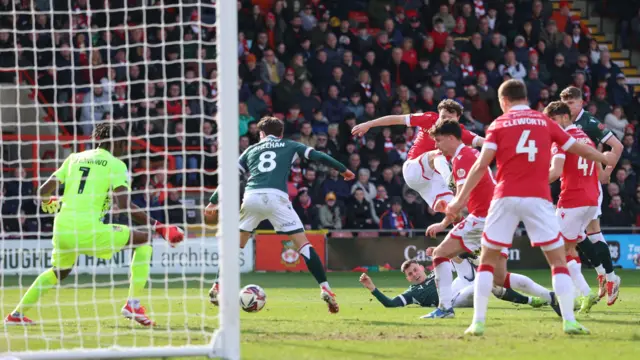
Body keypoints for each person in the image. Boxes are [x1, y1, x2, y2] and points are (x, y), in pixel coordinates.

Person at [446, 79, 615, 336]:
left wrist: (458, 201)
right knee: (558, 260)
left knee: (488, 261)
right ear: (525, 98)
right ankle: (569, 320)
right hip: (538, 198)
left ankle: (477, 322)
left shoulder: (498, 124)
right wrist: (602, 157)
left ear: (503, 101)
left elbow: (481, 166)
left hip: (505, 197)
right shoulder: (544, 121)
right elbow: (576, 147)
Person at [4, 124, 185, 327]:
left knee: (59, 271)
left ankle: (16, 314)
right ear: (116, 142)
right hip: (86, 229)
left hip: (62, 228)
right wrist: (159, 226)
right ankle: (133, 304)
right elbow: (124, 206)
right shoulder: (115, 165)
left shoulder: (74, 158)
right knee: (144, 240)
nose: (125, 149)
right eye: (124, 144)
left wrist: (48, 202)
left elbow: (44, 190)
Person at [205, 117, 355, 314]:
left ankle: (217, 285)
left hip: (251, 197)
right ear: (281, 133)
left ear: (261, 134)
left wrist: (213, 201)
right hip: (277, 198)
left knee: (235, 247)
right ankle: (325, 287)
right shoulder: (290, 144)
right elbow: (318, 156)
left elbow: (229, 178)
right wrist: (343, 170)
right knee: (304, 246)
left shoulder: (251, 149)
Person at [422, 119, 558, 319]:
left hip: (482, 217)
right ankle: (551, 297)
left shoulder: (462, 158)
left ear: (451, 138)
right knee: (500, 278)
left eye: (439, 140)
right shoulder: (471, 154)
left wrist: (443, 220)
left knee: (440, 254)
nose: (437, 146)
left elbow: (461, 198)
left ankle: (444, 308)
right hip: (497, 217)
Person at [351, 100, 483, 212]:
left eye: (450, 118)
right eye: (443, 117)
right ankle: (450, 180)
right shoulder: (428, 118)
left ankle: (472, 240)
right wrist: (369, 124)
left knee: (454, 212)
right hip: (414, 169)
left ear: (458, 118)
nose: (445, 121)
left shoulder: (460, 132)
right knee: (438, 155)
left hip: (432, 180)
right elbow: (396, 119)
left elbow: (486, 143)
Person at [545, 101, 611, 312]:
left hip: (573, 200)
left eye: (553, 121)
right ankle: (584, 289)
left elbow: (555, 171)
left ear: (565, 117)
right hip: (591, 200)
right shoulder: (587, 140)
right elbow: (601, 175)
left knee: (556, 251)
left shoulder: (562, 141)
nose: (551, 126)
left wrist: (531, 185)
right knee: (571, 246)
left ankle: (581, 293)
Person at [560, 86, 623, 301]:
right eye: (565, 103)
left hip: (589, 183)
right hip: (575, 182)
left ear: (580, 103)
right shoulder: (565, 124)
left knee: (589, 231)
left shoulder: (590, 122)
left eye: (571, 103)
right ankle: (604, 275)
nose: (567, 107)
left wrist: (607, 172)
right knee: (584, 233)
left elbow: (617, 146)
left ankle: (609, 275)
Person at [358, 260, 548, 311]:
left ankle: (474, 254)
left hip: (460, 284)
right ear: (407, 279)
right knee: (487, 282)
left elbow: (449, 263)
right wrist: (372, 288)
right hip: (455, 300)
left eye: (415, 270)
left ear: (422, 268)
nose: (414, 275)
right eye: (410, 274)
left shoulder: (435, 273)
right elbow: (391, 304)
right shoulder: (413, 293)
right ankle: (531, 300)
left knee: (455, 255)